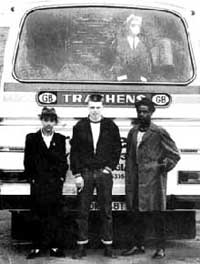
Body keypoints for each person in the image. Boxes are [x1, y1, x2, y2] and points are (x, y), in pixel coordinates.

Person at [122, 97, 180, 259]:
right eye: (139, 112)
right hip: (135, 181)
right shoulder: (133, 132)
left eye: (145, 112)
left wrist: (161, 167)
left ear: (152, 113)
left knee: (157, 215)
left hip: (154, 182)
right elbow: (130, 156)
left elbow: (174, 154)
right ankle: (137, 245)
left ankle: (160, 248)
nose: (142, 115)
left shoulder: (159, 132)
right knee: (136, 214)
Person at [70, 93, 121, 259]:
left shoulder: (111, 126)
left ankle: (108, 247)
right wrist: (77, 174)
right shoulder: (80, 126)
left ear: (102, 108)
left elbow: (117, 149)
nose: (95, 111)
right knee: (82, 211)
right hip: (85, 174)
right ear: (88, 108)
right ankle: (81, 247)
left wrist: (109, 168)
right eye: (92, 107)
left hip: (103, 174)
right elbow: (75, 153)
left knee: (106, 211)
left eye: (98, 107)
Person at [24, 107, 68, 259]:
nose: (48, 123)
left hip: (54, 184)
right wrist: (32, 179)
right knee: (37, 215)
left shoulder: (60, 139)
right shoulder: (31, 138)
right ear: (41, 120)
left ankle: (55, 247)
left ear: (55, 122)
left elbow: (63, 162)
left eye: (51, 120)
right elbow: (27, 161)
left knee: (55, 215)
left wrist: (61, 178)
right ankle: (36, 247)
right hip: (39, 184)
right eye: (45, 120)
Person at [112, 14, 151, 82]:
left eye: (138, 25)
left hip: (141, 82)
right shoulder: (120, 43)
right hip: (122, 81)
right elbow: (116, 62)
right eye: (133, 25)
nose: (136, 27)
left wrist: (144, 77)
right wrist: (120, 77)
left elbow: (147, 64)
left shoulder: (143, 45)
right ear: (127, 27)